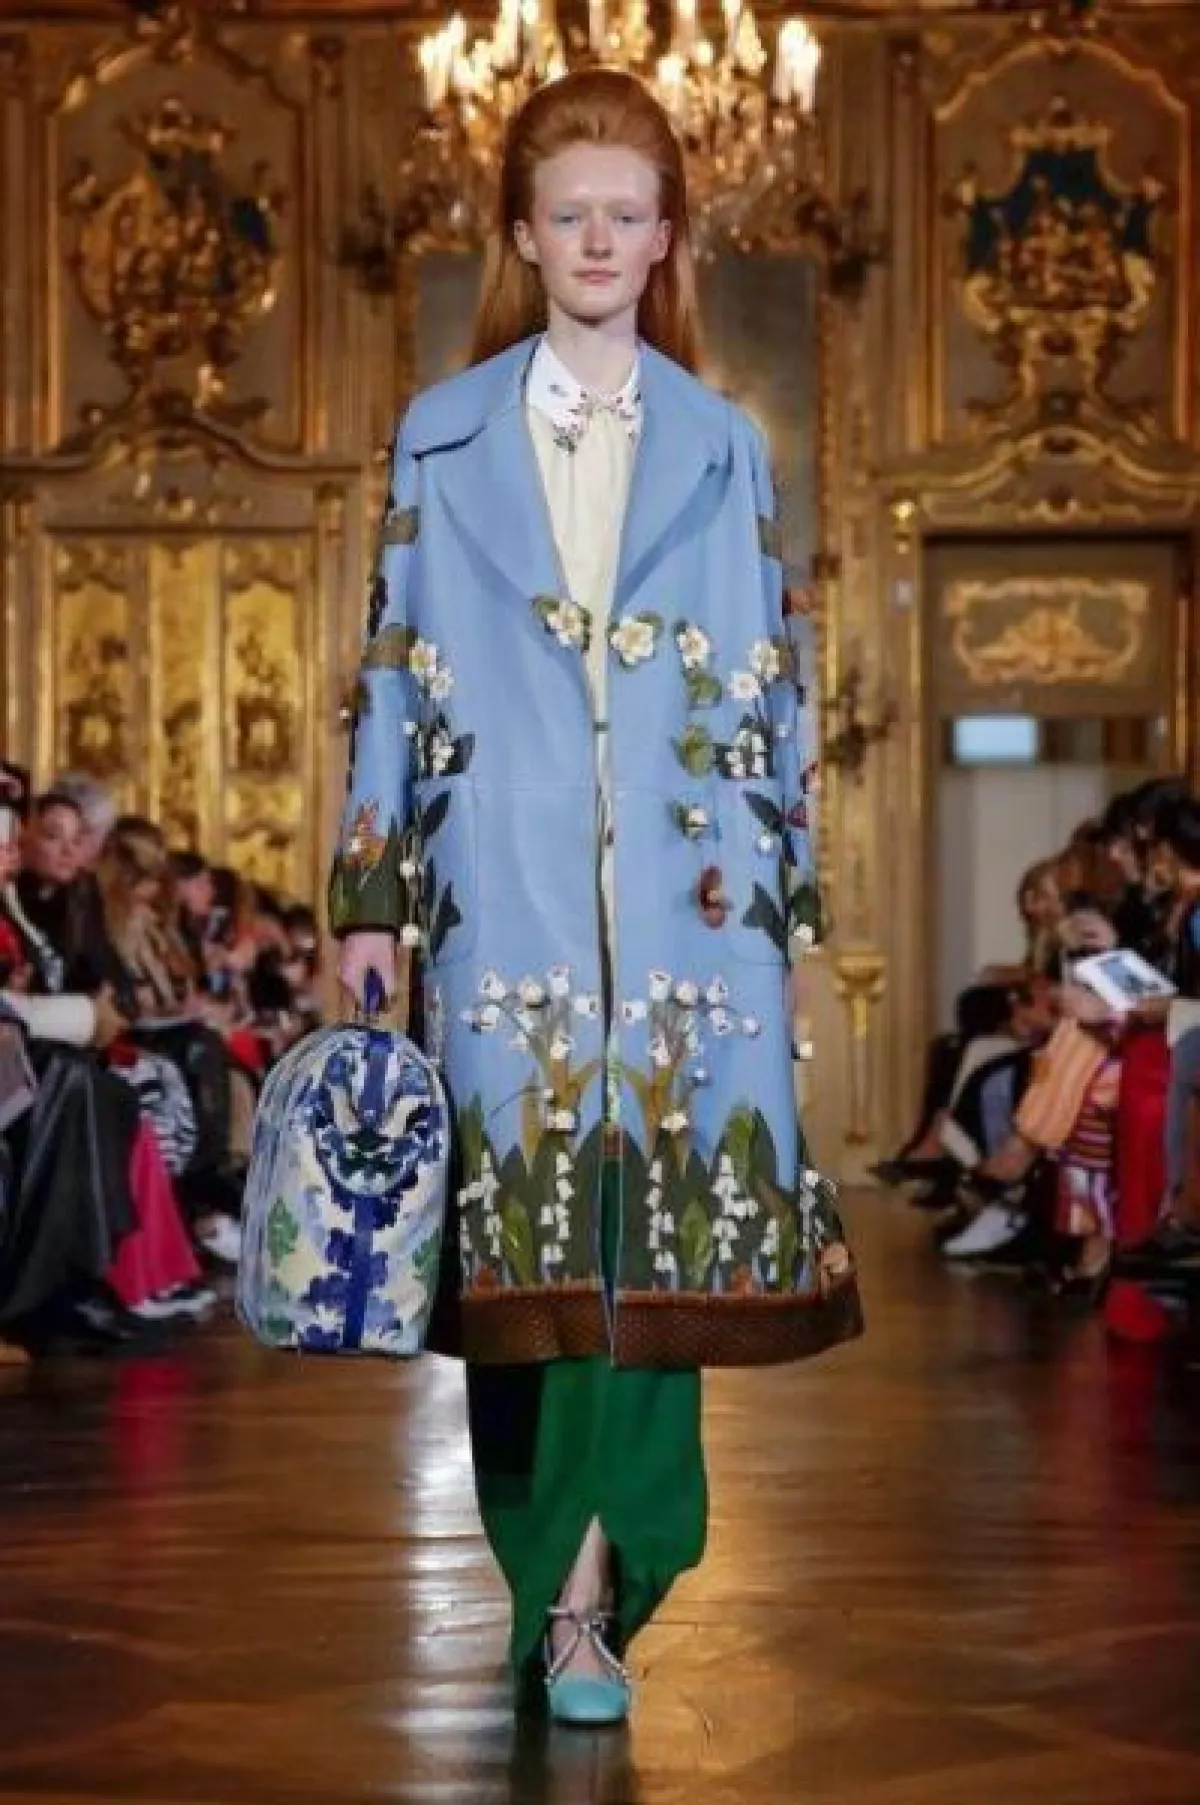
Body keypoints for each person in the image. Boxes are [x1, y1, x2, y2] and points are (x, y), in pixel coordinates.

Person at [330, 68, 861, 1726]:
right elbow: (391, 673)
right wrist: (368, 898)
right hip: (503, 898)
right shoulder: (444, 434)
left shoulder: (724, 444)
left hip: (695, 907)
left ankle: (594, 1597)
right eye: (571, 213)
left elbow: (771, 693)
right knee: (531, 1266)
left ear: (669, 236)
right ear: (523, 232)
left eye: (629, 213)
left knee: (661, 1255)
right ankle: (554, 1587)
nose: (600, 240)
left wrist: (788, 924)